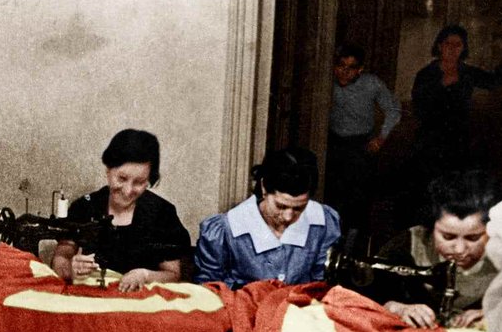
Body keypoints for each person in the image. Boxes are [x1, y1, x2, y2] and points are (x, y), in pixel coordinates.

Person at [51, 129, 191, 291]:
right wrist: (70, 268)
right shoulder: (84, 207)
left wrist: (145, 275)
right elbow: (61, 256)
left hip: (141, 304)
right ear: (108, 171)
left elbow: (173, 274)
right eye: (122, 178)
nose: (128, 190)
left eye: (139, 182)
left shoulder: (162, 213)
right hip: (92, 300)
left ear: (149, 180)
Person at [195, 147, 341, 290]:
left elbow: (322, 286)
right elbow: (210, 291)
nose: (288, 217)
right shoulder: (226, 230)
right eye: (281, 206)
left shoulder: (323, 222)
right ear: (264, 188)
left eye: (299, 208)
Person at [372, 170, 501, 329]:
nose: (459, 250)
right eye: (448, 237)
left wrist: (499, 315)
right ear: (431, 226)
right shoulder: (405, 245)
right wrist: (395, 308)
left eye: (473, 238)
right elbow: (366, 296)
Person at [410, 25, 502, 184]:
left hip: (460, 141)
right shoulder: (426, 74)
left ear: (463, 48)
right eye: (448, 44)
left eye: (457, 45)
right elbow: (419, 108)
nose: (452, 49)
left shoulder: (467, 73)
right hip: (431, 142)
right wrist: (441, 86)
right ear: (439, 46)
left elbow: (494, 81)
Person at [326, 43, 401, 236]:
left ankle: (353, 242)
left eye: (351, 68)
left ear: (360, 70)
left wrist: (381, 138)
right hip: (332, 142)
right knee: (332, 194)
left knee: (358, 199)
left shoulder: (372, 84)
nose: (344, 72)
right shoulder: (325, 80)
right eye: (341, 65)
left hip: (360, 145)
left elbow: (394, 109)